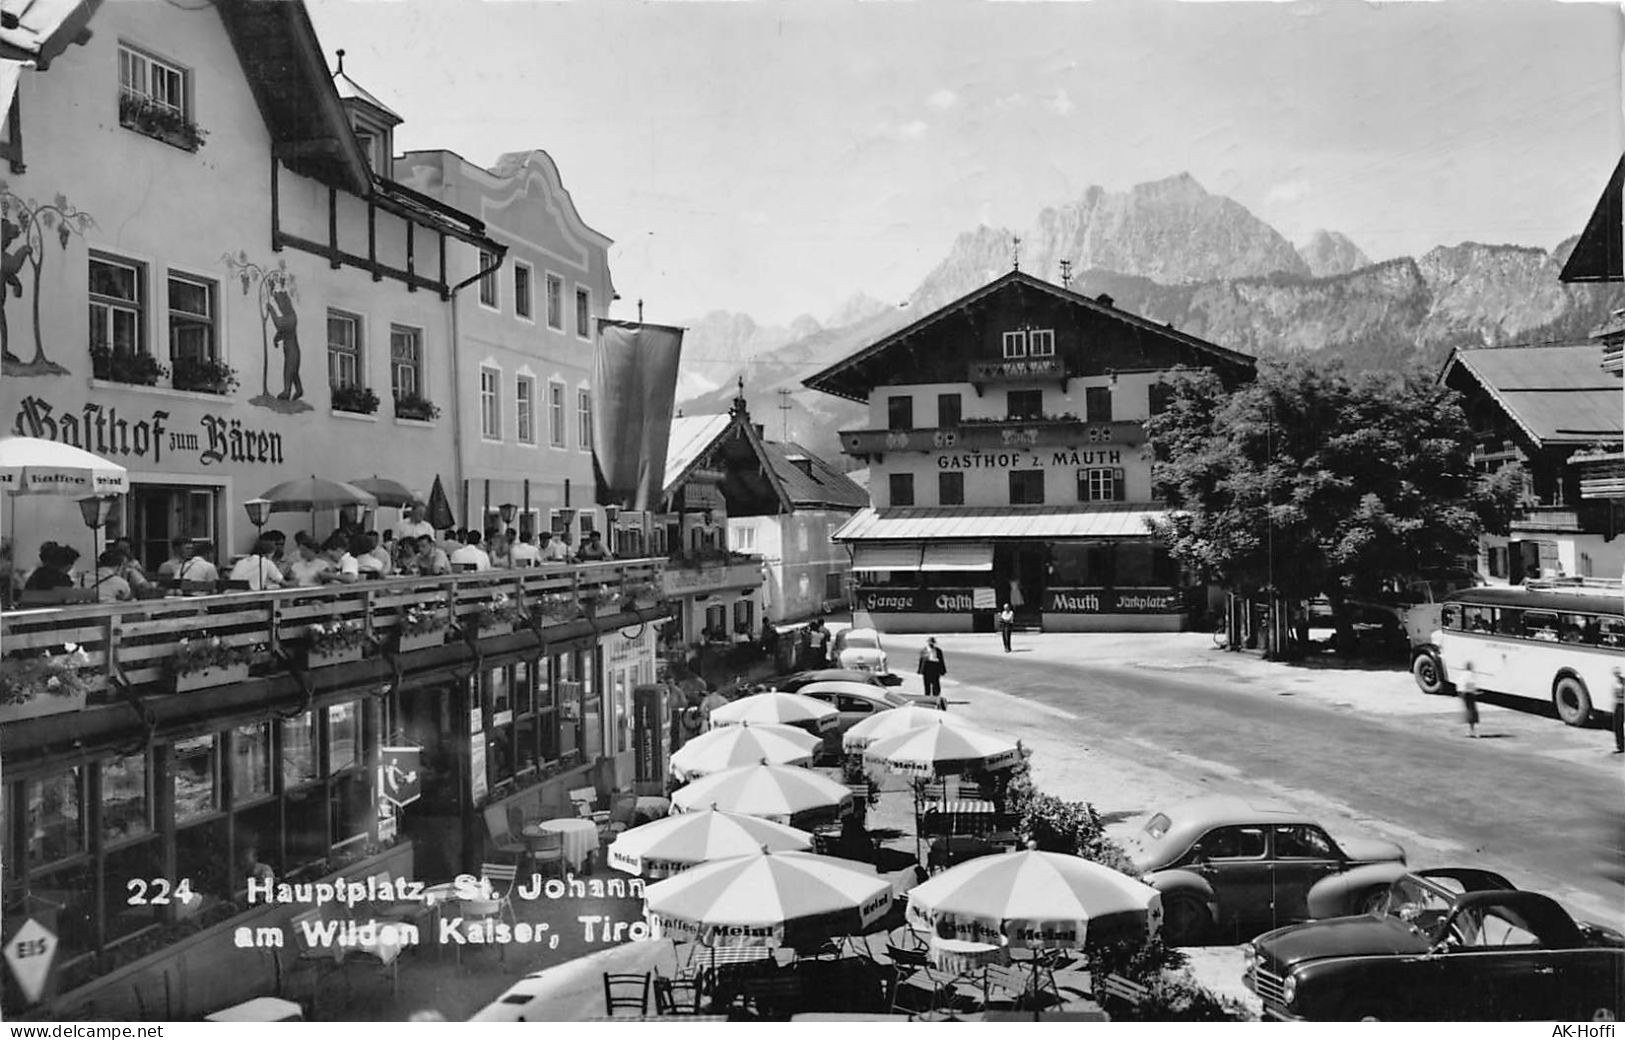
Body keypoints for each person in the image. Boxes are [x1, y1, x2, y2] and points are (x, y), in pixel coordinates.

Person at [1460, 658, 1480, 738]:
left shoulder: (1463, 674)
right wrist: (1474, 692)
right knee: (1471, 711)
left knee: (1469, 710)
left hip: (1464, 694)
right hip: (1469, 694)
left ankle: (1471, 730)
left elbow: (1460, 684)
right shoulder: (1470, 674)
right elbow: (1470, 684)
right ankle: (1472, 730)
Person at [1612, 667, 1624, 755]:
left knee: (1620, 725)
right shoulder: (1615, 683)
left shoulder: (1623, 682)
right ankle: (1620, 746)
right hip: (1618, 704)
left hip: (1623, 705)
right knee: (1617, 726)